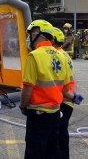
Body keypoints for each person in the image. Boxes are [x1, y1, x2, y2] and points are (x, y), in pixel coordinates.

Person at [20, 20, 78, 159]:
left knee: (35, 151)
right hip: (55, 113)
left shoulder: (34, 56)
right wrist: (74, 97)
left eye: (31, 33)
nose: (30, 37)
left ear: (38, 34)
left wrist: (23, 106)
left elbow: (27, 89)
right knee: (53, 151)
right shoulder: (62, 56)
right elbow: (65, 90)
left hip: (38, 114)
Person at [52, 27, 84, 159]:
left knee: (58, 137)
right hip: (68, 100)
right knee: (61, 135)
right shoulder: (62, 54)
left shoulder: (55, 56)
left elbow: (57, 85)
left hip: (63, 101)